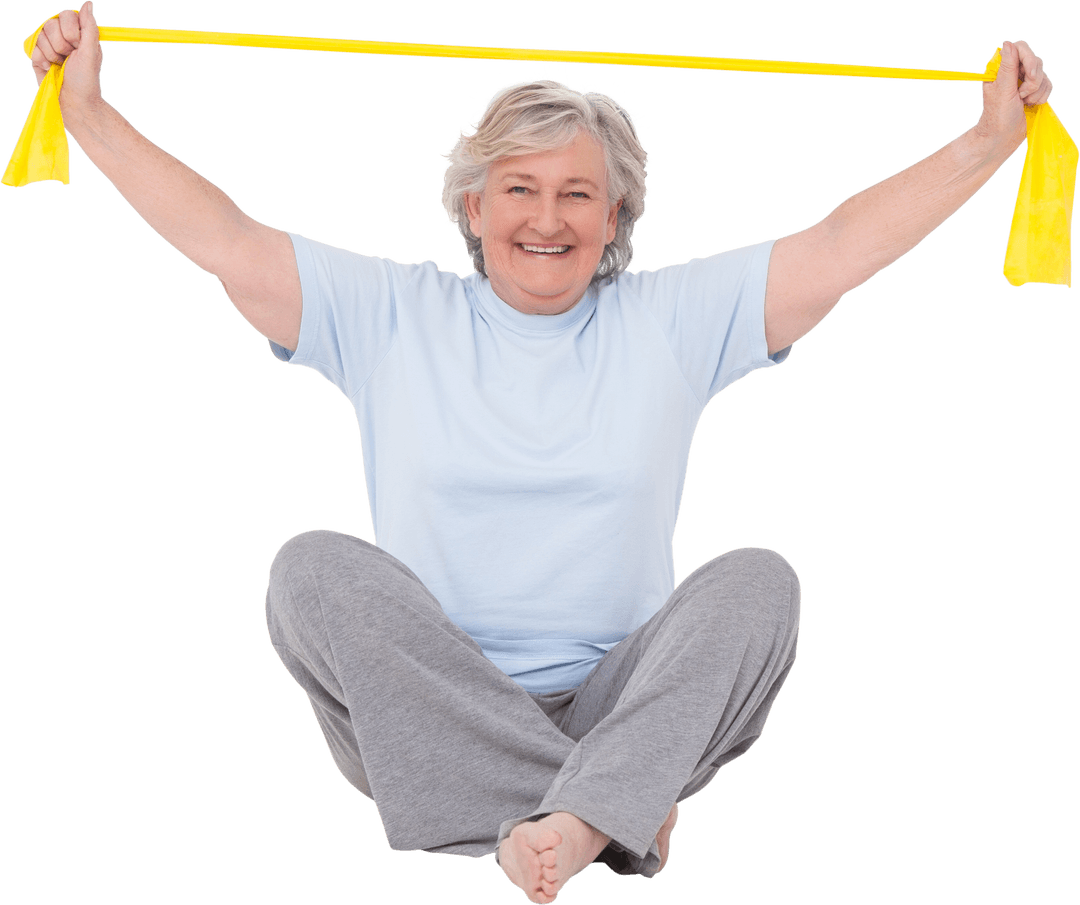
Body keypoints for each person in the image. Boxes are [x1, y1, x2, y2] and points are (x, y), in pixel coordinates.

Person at [29, 4, 1054, 903]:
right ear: (473, 209)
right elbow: (227, 239)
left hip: (625, 703)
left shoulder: (669, 318)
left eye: (578, 193)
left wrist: (984, 145)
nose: (548, 218)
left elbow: (837, 247)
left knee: (761, 583)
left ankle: (550, 813)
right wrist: (92, 117)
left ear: (615, 218)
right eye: (519, 188)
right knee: (308, 569)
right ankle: (606, 810)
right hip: (420, 708)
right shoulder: (392, 312)